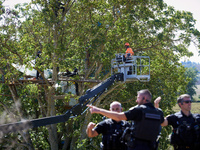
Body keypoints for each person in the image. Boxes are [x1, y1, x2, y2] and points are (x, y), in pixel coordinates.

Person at [87, 89, 164, 150]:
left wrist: (99, 110)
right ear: (110, 110)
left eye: (138, 98)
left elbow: (118, 116)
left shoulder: (131, 120)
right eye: (113, 109)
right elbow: (162, 122)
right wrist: (89, 128)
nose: (136, 100)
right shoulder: (105, 124)